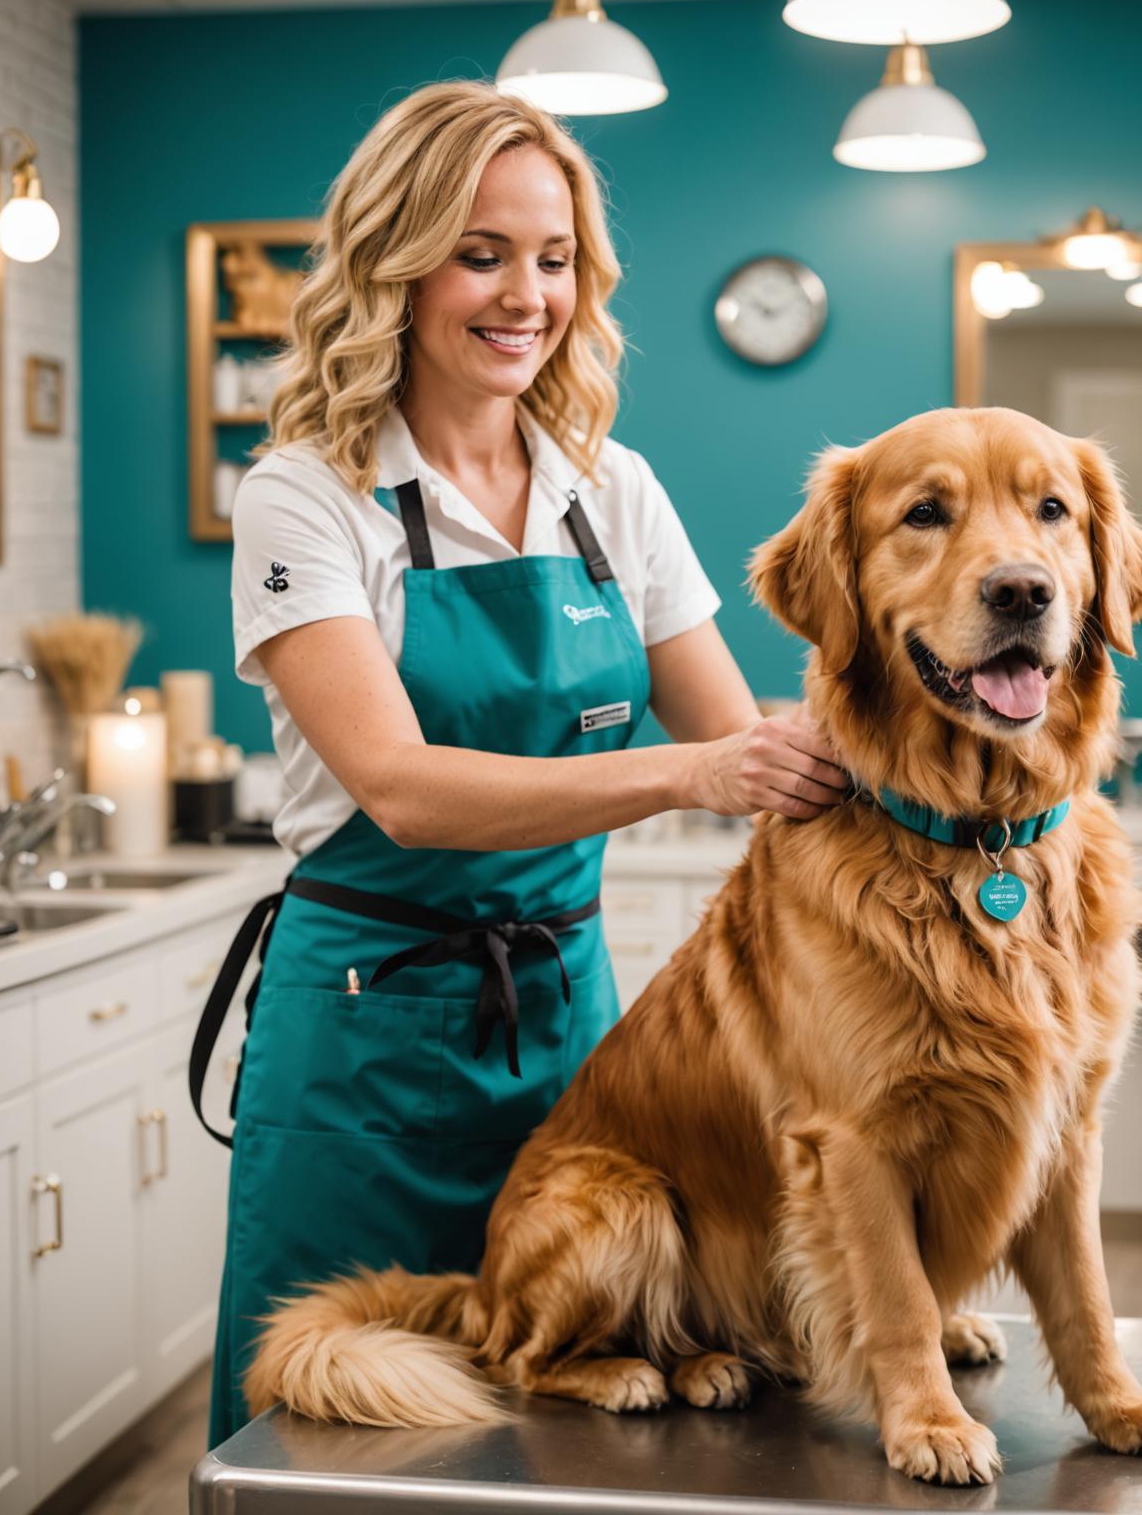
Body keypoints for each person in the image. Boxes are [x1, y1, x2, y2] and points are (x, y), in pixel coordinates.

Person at [197, 80, 847, 1446]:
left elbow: (742, 737)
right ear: (394, 263)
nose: (525, 296)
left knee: (574, 1425)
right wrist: (686, 778)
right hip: (366, 1043)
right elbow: (402, 787)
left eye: (553, 260)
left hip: (567, 1035)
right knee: (337, 1426)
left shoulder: (612, 487)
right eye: (480, 254)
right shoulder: (306, 495)